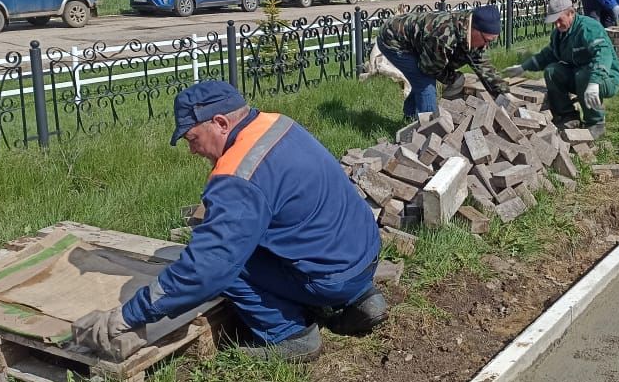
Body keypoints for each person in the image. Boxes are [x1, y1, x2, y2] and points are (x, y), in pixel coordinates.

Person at [73, 81, 386, 363]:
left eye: (192, 138)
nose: (192, 150)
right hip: (366, 252)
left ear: (220, 123)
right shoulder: (278, 124)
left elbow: (206, 270)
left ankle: (290, 335)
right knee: (247, 242)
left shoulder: (237, 176)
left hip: (331, 279)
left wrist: (127, 317)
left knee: (225, 266)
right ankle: (362, 300)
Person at [502, 0, 619, 137]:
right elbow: (547, 55)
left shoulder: (588, 28)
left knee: (584, 75)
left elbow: (603, 54)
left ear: (571, 13)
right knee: (552, 71)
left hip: (605, 78)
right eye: (554, 22)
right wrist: (523, 67)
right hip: (581, 77)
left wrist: (595, 82)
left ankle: (595, 122)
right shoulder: (559, 34)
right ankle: (569, 116)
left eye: (560, 20)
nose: (557, 25)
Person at [375, 5, 509, 119]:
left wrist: (504, 93)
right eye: (487, 40)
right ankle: (428, 131)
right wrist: (452, 78)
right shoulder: (443, 36)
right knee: (424, 82)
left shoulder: (469, 29)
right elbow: (429, 69)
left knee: (421, 79)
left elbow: (482, 65)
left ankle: (409, 116)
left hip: (419, 41)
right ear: (475, 30)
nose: (486, 46)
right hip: (392, 39)